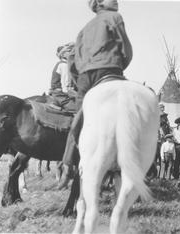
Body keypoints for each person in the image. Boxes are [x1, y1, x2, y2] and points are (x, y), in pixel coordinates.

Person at [58, 0, 132, 189]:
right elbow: (126, 49)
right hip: (109, 69)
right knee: (126, 112)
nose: (116, 0)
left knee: (79, 118)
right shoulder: (114, 17)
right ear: (99, 3)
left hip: (85, 77)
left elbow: (73, 60)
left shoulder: (84, 28)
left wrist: (82, 76)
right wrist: (120, 64)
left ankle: (66, 163)